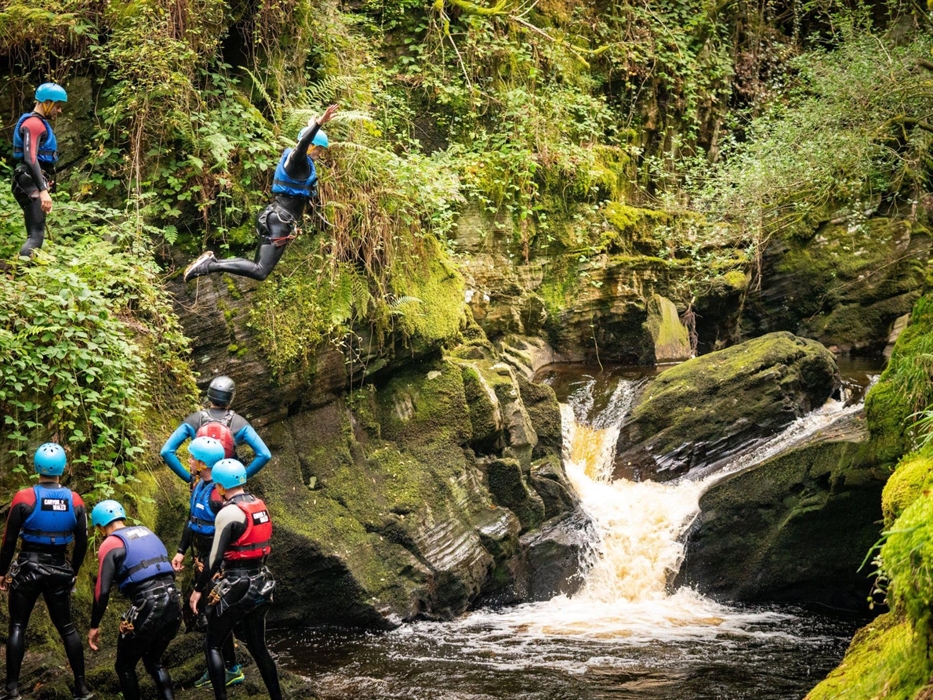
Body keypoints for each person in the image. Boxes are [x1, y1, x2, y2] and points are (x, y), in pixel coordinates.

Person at [183, 103, 339, 282]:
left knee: (259, 268)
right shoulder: (298, 161)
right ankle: (210, 265)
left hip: (277, 218)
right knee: (260, 271)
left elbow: (303, 144)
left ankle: (210, 264)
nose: (320, 154)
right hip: (278, 220)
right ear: (310, 146)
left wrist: (313, 124)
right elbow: (302, 144)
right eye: (318, 149)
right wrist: (318, 123)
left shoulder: (297, 161)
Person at [0, 443, 91, 700]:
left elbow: (8, 541)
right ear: (63, 468)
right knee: (68, 628)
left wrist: (2, 572)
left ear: (36, 467)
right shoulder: (75, 500)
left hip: (28, 566)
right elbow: (82, 543)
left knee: (17, 626)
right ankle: (82, 688)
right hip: (59, 568)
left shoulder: (24, 497)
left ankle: (12, 689)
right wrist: (72, 571)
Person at [189, 459, 280, 700]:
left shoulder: (228, 512)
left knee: (213, 644)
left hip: (238, 585)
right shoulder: (260, 505)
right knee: (259, 647)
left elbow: (213, 559)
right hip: (262, 581)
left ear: (219, 486)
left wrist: (198, 589)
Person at [87, 500, 181, 700]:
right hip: (174, 601)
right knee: (154, 661)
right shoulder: (146, 532)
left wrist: (94, 626)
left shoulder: (110, 543)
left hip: (147, 604)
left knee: (124, 666)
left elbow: (101, 592)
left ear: (100, 526)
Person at [170, 436, 243, 689]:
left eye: (191, 458)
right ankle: (221, 666)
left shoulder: (217, 495)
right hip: (200, 558)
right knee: (206, 615)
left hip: (215, 565)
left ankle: (230, 668)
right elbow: (192, 521)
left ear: (202, 463)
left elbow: (227, 535)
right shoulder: (197, 484)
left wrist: (215, 569)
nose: (188, 461)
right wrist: (181, 551)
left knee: (215, 615)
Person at [160, 375, 271, 481]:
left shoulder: (194, 420)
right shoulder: (240, 423)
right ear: (231, 398)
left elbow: (166, 451)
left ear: (209, 395)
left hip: (200, 483)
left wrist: (188, 478)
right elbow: (264, 455)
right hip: (227, 486)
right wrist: (241, 479)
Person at [11, 83, 67, 259]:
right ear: (47, 103)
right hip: (28, 179)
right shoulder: (34, 124)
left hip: (30, 179)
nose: (59, 111)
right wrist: (42, 191)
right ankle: (19, 278)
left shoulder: (37, 123)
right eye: (57, 106)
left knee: (36, 234)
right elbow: (31, 158)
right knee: (35, 236)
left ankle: (22, 275)